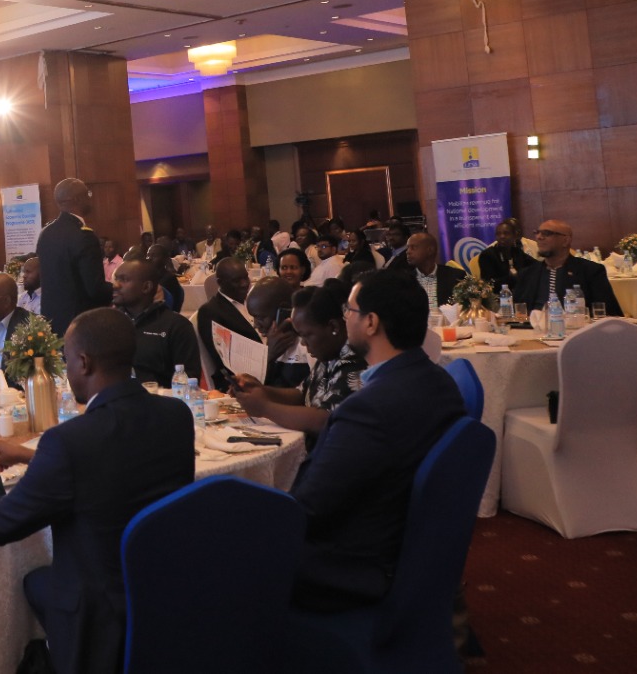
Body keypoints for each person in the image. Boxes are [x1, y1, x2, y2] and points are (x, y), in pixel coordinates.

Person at [0, 308, 194, 674]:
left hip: (98, 611)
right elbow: (114, 460)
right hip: (166, 587)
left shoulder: (69, 441)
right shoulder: (177, 415)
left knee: (29, 580)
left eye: (67, 361)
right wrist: (30, 455)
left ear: (84, 363)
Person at [289, 270, 467, 612]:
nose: (344, 317)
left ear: (370, 322)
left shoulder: (368, 410)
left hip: (354, 563)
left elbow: (309, 509)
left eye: (350, 310)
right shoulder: (440, 382)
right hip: (406, 547)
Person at [231, 282, 366, 447]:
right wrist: (260, 390)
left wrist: (265, 407)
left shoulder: (354, 361)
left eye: (307, 335)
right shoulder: (329, 355)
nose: (302, 342)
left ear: (333, 327)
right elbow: (301, 393)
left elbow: (324, 420)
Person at [35, 178, 112, 337]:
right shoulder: (84, 235)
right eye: (87, 194)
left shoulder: (46, 233)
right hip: (79, 325)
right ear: (77, 199)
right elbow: (94, 289)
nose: (90, 199)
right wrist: (119, 289)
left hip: (52, 323)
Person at [111, 259, 200, 388]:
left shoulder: (176, 326)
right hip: (114, 396)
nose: (115, 285)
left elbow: (189, 381)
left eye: (124, 280)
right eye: (116, 279)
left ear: (146, 287)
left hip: (159, 397)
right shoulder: (110, 323)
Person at [514, 220, 623, 316]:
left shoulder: (590, 271)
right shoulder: (527, 274)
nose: (539, 237)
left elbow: (608, 312)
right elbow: (517, 312)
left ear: (565, 241)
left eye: (546, 233)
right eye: (537, 233)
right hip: (531, 330)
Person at [194, 258, 259, 391]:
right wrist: (272, 353)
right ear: (220, 283)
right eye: (236, 281)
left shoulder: (253, 301)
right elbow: (224, 360)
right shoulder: (211, 312)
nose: (244, 284)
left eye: (246, 278)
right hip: (242, 382)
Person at [400, 232, 464, 316]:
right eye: (408, 248)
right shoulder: (404, 280)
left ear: (430, 250)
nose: (408, 252)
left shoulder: (455, 277)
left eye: (413, 247)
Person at [477, 218, 535, 292]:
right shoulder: (487, 255)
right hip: (498, 295)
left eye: (506, 233)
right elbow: (488, 283)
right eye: (498, 234)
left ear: (514, 236)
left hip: (520, 293)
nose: (502, 236)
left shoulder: (517, 252)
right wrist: (512, 278)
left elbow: (535, 265)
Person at [144, 242, 185, 312]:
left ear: (165, 259)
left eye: (154, 256)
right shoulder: (149, 276)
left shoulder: (169, 279)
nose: (149, 258)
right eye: (148, 255)